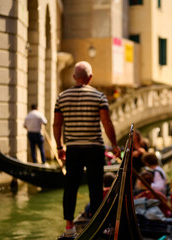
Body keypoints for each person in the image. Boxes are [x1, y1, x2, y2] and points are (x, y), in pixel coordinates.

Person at [53, 61, 121, 236]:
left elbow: (56, 124)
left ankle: (69, 227)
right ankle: (97, 224)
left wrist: (60, 147)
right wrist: (114, 145)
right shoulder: (99, 97)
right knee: (95, 187)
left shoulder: (62, 97)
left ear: (75, 77)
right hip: (94, 148)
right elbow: (107, 122)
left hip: (73, 148)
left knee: (70, 186)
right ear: (90, 78)